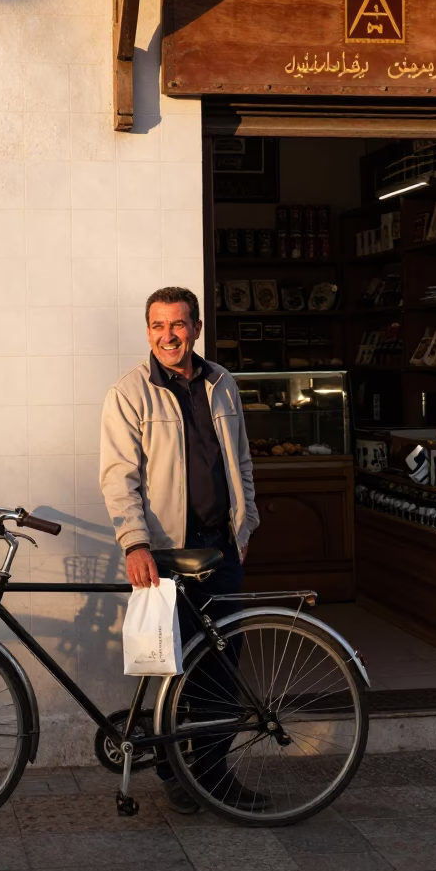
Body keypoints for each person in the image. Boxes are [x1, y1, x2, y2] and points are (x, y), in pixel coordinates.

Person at [99, 285, 261, 812]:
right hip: (167, 553)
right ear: (147, 331)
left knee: (221, 669)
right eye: (157, 326)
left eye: (178, 325)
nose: (168, 336)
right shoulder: (131, 392)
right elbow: (118, 478)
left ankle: (214, 777)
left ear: (195, 329)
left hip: (221, 550)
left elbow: (243, 461)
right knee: (172, 669)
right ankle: (173, 769)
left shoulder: (222, 383)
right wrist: (135, 543)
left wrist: (246, 525)